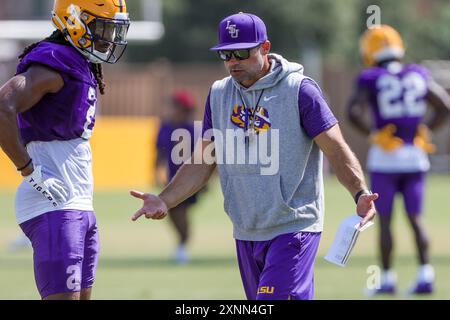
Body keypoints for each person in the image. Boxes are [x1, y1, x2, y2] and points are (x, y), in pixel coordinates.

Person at [130, 12, 378, 300]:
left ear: (265, 47)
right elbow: (203, 160)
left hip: (293, 227)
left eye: (241, 52)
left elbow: (335, 148)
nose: (233, 61)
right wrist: (165, 199)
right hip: (246, 230)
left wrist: (360, 192)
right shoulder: (219, 94)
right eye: (226, 54)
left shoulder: (300, 90)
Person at [0, 0, 130, 300]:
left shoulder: (78, 61)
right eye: (102, 26)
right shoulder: (55, 58)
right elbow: (3, 105)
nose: (109, 37)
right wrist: (28, 170)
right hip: (54, 203)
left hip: (78, 202)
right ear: (74, 21)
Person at [347, 25, 450, 296]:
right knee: (416, 218)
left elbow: (353, 111)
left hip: (386, 158)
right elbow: (444, 106)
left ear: (370, 50)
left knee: (385, 221)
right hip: (415, 156)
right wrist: (424, 129)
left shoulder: (370, 77)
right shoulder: (417, 73)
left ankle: (389, 280)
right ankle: (426, 276)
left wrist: (373, 134)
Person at [156, 90, 202, 264]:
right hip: (171, 179)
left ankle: (182, 246)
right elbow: (159, 151)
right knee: (170, 212)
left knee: (179, 212)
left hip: (190, 179)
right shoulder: (165, 126)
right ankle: (182, 244)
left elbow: (204, 156)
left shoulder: (195, 129)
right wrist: (156, 172)